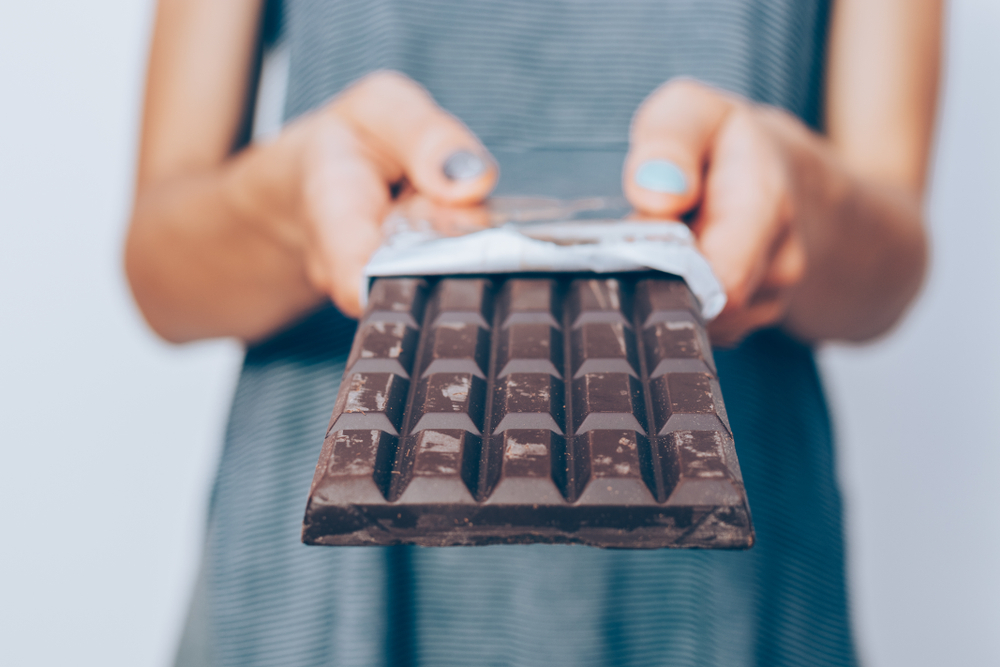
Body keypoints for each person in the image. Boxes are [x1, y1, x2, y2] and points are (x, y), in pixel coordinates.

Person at [126, 1, 940, 665]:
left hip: (721, 590)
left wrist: (797, 201)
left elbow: (890, 264)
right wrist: (292, 209)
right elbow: (159, 261)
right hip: (323, 597)